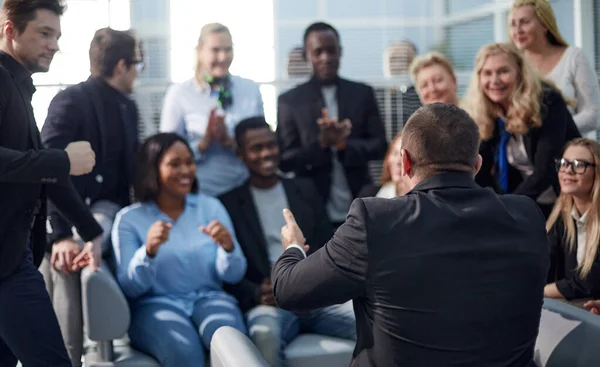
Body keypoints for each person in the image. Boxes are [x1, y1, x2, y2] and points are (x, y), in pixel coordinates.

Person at [272, 103, 550, 366]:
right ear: (476, 165)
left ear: (404, 162)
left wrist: (293, 247)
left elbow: (288, 291)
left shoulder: (376, 221)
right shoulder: (526, 216)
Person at [0, 1, 103, 366]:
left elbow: (39, 172)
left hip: (14, 256)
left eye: (57, 35)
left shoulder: (18, 86)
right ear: (10, 30)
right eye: (44, 33)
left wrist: (91, 230)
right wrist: (63, 160)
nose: (55, 45)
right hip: (8, 266)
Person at [39, 27, 142, 366]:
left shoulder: (128, 108)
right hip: (67, 217)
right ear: (123, 65)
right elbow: (47, 169)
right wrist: (62, 235)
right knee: (68, 263)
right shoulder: (70, 101)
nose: (138, 74)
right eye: (137, 66)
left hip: (110, 217)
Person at [218, 117, 355, 366]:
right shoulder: (228, 204)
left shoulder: (304, 189)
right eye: (256, 148)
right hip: (270, 304)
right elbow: (225, 266)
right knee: (264, 336)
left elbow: (329, 244)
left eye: (271, 145)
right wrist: (254, 293)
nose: (266, 153)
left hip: (316, 296)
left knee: (373, 320)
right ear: (240, 154)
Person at [112, 133, 248, 367]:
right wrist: (149, 251)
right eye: (175, 164)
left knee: (235, 350)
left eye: (189, 162)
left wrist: (228, 248)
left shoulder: (210, 206)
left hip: (211, 299)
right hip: (154, 306)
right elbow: (130, 288)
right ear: (152, 169)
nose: (186, 170)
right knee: (185, 353)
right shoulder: (129, 219)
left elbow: (234, 275)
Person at [277, 22, 388, 227]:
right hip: (312, 208)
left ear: (340, 52)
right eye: (318, 52)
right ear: (306, 56)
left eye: (331, 51)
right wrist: (321, 143)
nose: (325, 58)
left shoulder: (362, 94)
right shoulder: (290, 102)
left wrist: (343, 144)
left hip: (359, 205)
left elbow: (380, 146)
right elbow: (285, 160)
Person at [463, 43, 580, 216]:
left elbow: (546, 169)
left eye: (503, 71)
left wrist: (506, 206)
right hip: (527, 201)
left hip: (565, 197)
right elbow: (481, 169)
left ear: (520, 72)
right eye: (487, 73)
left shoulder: (547, 102)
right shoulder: (488, 112)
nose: (494, 80)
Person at [160, 22, 264, 197]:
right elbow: (166, 151)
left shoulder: (249, 89)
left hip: (246, 190)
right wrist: (204, 143)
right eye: (215, 50)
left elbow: (262, 141)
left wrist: (232, 142)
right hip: (201, 193)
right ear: (199, 51)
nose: (223, 57)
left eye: (228, 49)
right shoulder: (180, 94)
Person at [510, 0, 600, 140]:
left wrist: (550, 131)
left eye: (525, 22)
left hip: (570, 153)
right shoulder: (512, 65)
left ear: (545, 25)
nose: (517, 30)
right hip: (521, 158)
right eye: (513, 24)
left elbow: (593, 115)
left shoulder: (574, 57)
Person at [545, 138, 600, 304]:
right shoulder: (562, 216)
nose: (567, 170)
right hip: (579, 309)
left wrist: (542, 291)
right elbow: (543, 259)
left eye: (579, 164)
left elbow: (589, 282)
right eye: (564, 163)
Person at [358, 133, 410, 198]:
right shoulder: (368, 196)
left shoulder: (423, 202)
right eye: (395, 153)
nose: (398, 161)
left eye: (404, 155)